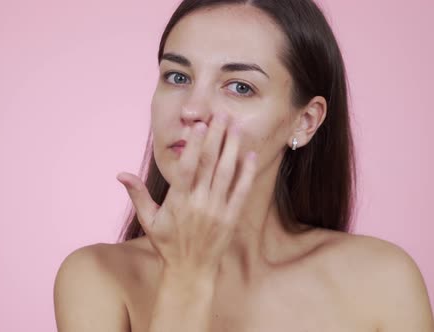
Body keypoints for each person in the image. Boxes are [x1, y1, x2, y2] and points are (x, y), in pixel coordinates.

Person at [53, 0, 434, 331]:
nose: (191, 109)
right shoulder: (97, 278)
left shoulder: (383, 281)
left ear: (305, 121)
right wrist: (187, 277)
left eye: (240, 86)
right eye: (177, 76)